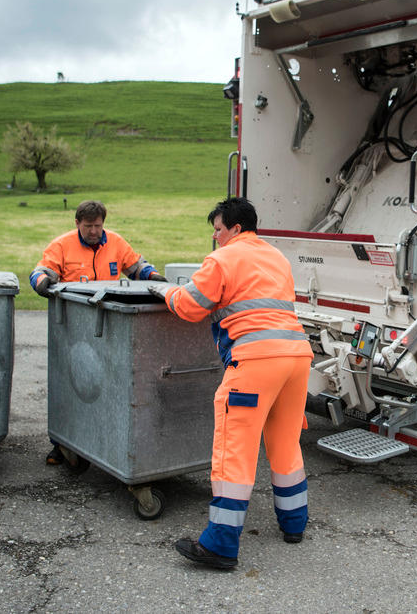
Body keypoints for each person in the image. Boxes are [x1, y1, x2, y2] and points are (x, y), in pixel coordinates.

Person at [148, 197, 312, 570]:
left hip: (255, 362)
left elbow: (189, 305)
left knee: (233, 451)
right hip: (297, 358)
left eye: (218, 229)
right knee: (285, 444)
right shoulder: (277, 257)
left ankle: (220, 545)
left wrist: (163, 291)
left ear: (236, 228)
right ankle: (294, 525)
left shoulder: (223, 258)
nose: (215, 236)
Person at [30, 199, 166, 465]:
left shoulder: (114, 242)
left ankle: (102, 442)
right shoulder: (61, 245)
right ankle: (61, 444)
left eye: (98, 225)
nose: (94, 231)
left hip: (107, 327)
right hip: (73, 325)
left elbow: (137, 266)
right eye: (88, 226)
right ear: (77, 223)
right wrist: (43, 283)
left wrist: (154, 277)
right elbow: (40, 272)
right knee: (70, 384)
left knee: (106, 387)